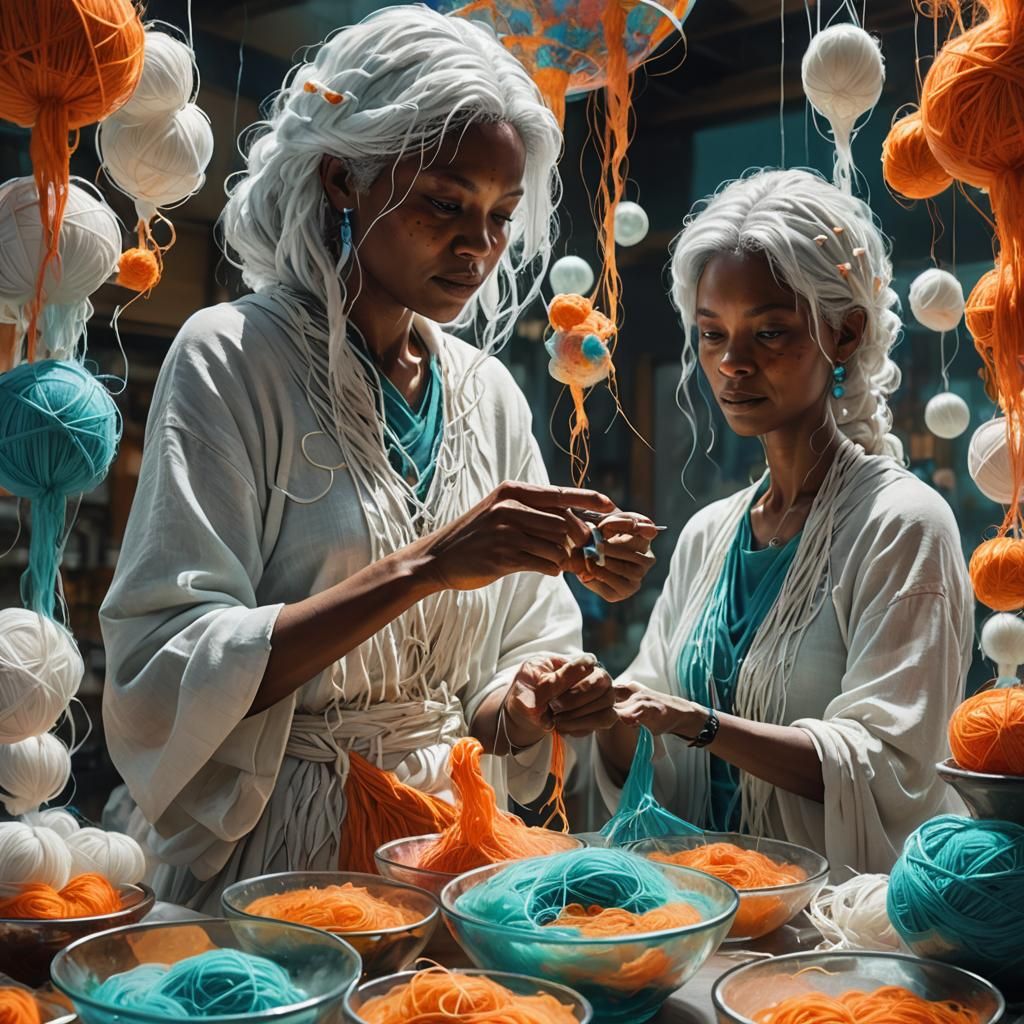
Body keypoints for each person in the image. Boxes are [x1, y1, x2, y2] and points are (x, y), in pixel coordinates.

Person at [100, 5, 655, 911]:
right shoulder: (233, 357)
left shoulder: (490, 394)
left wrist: (537, 698)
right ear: (343, 179)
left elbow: (506, 672)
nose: (477, 244)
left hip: (451, 850)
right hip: (278, 859)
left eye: (501, 215)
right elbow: (165, 664)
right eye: (446, 203)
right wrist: (429, 565)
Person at [598, 168, 972, 876]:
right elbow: (644, 729)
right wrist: (596, 708)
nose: (733, 364)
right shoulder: (712, 532)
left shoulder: (903, 526)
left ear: (845, 332)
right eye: (712, 335)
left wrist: (700, 724)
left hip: (836, 937)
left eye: (769, 332)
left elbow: (892, 768)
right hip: (700, 915)